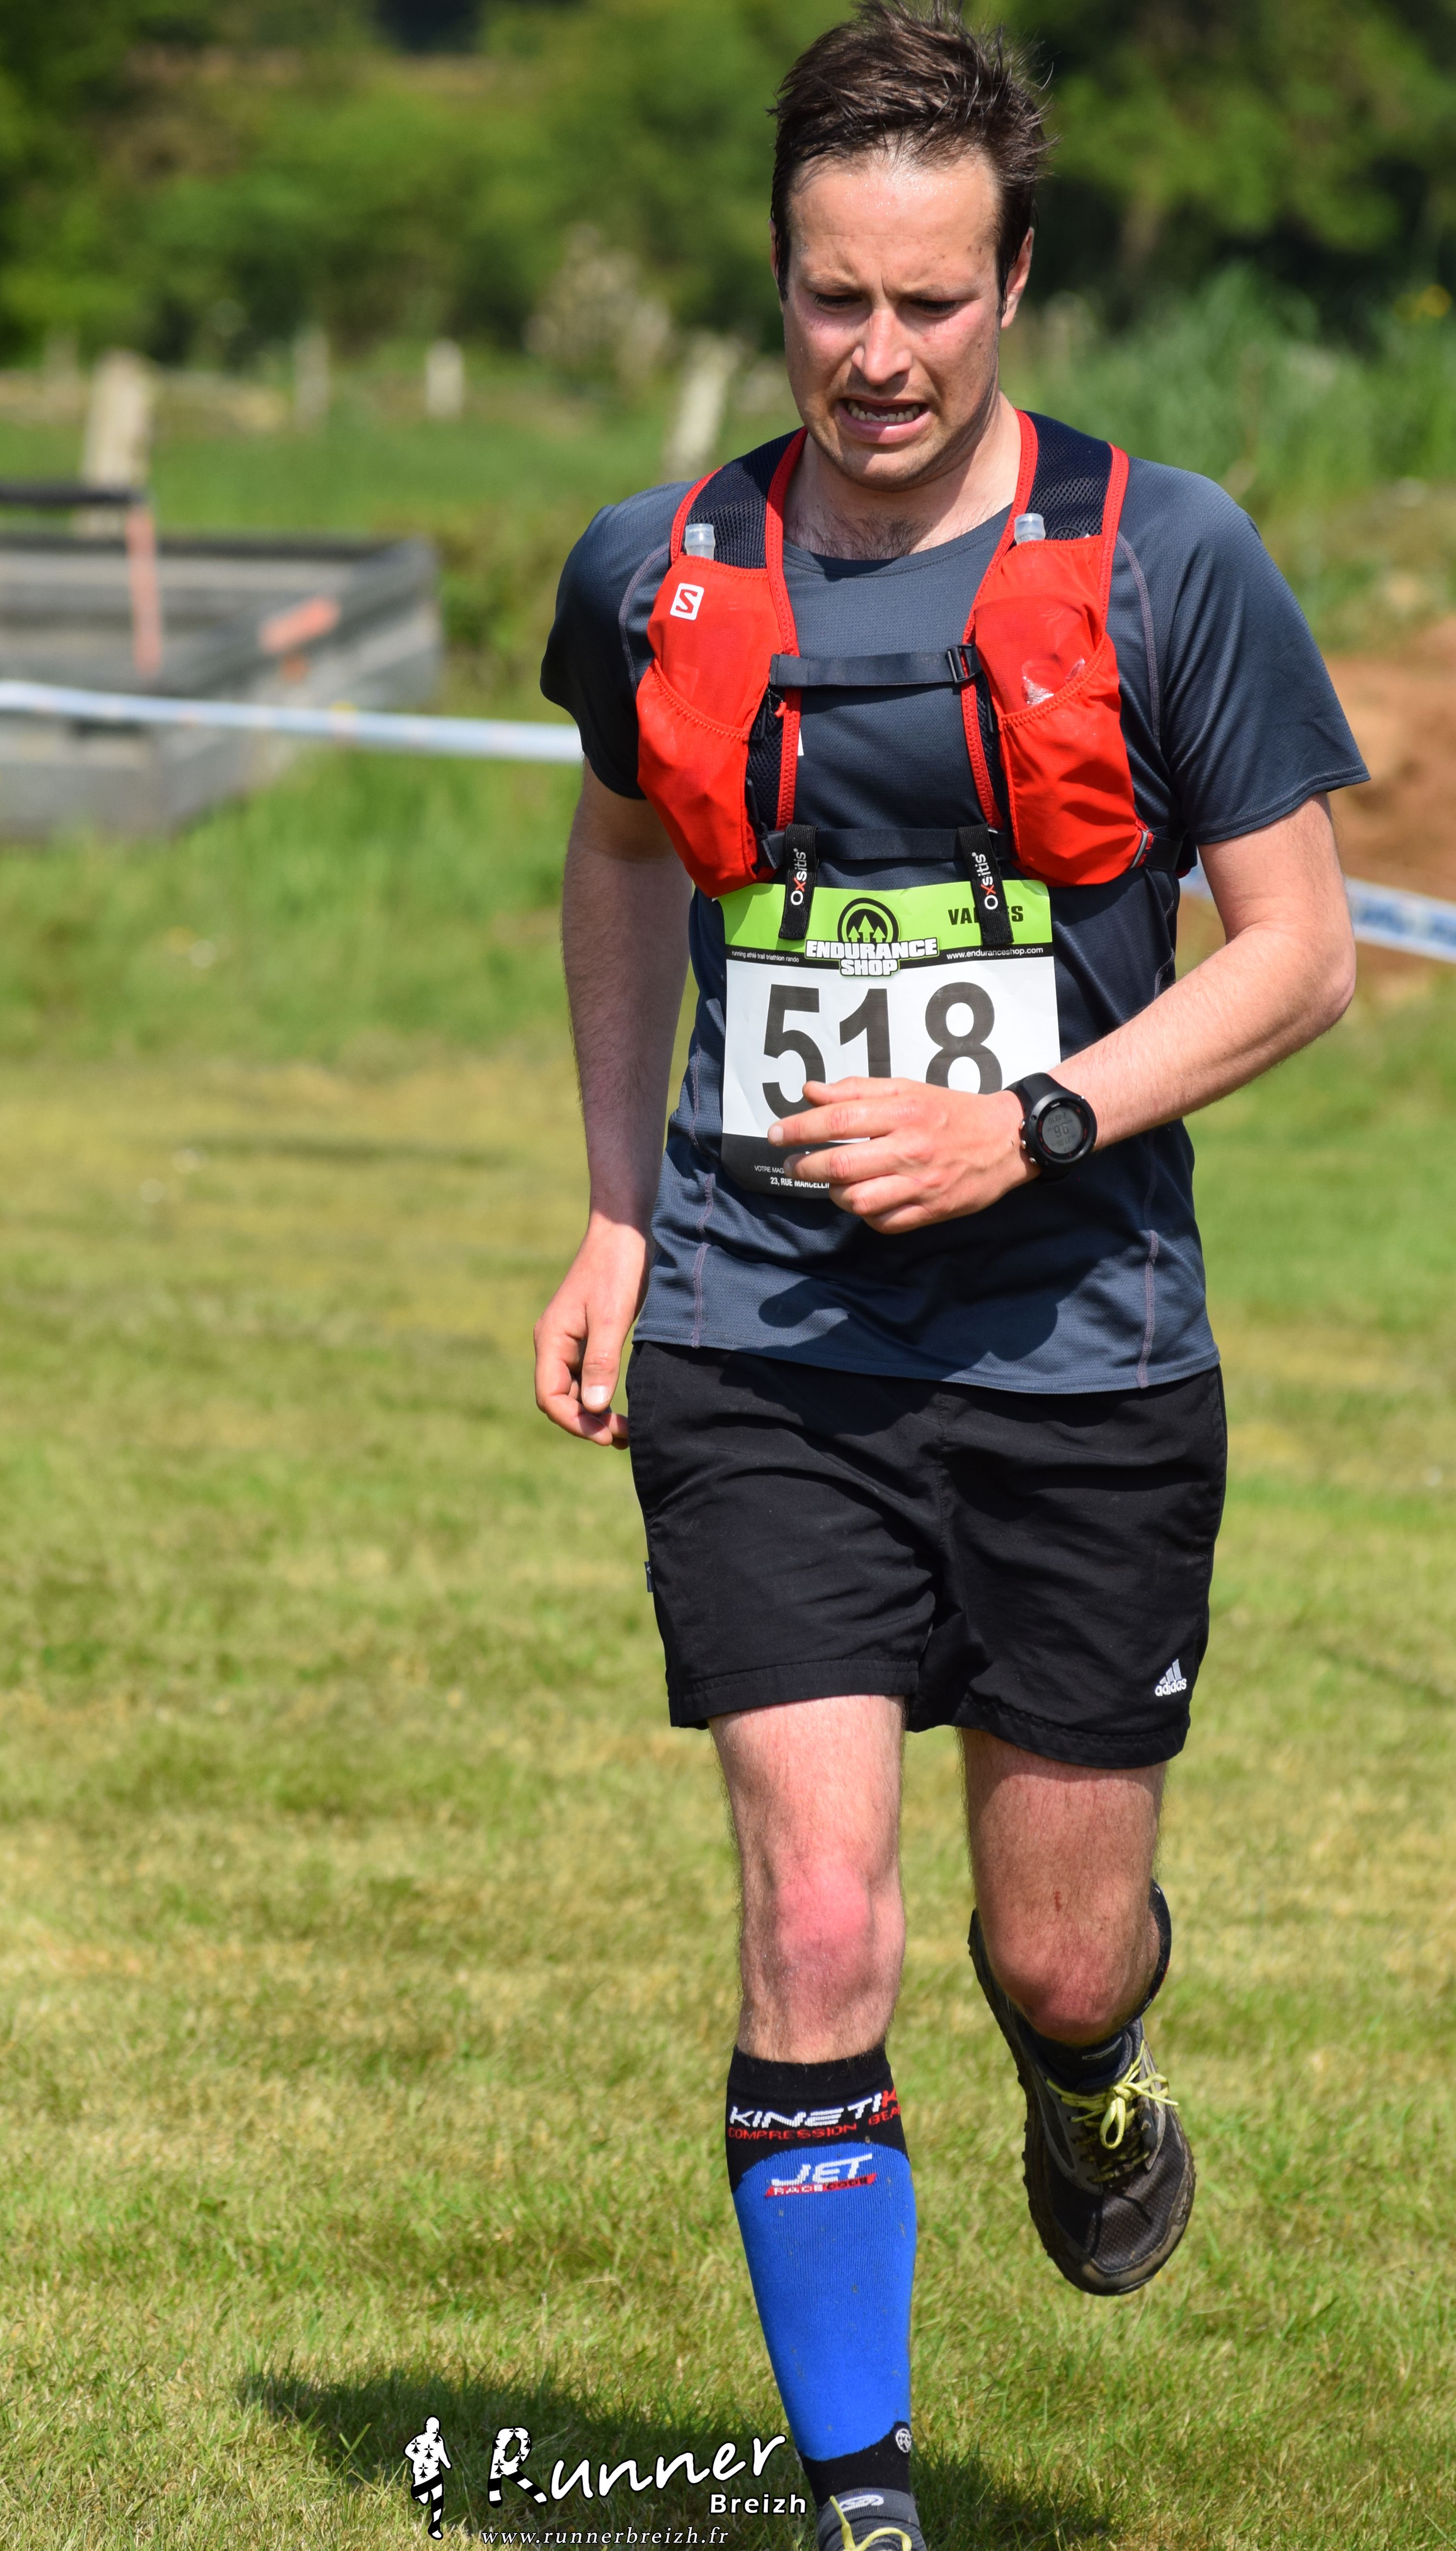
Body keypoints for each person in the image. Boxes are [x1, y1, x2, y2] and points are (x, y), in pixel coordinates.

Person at [533, 7, 1365, 2549]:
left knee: (1055, 1952)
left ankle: (1091, 2086)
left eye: (927, 302)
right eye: (833, 298)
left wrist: (1033, 1120)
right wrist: (619, 1205)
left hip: (1082, 1348)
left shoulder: (1164, 555)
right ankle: (859, 2495)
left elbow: (1303, 953)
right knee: (816, 1909)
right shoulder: (658, 569)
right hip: (760, 1338)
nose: (877, 355)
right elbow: (621, 858)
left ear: (1012, 287)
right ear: (778, 280)